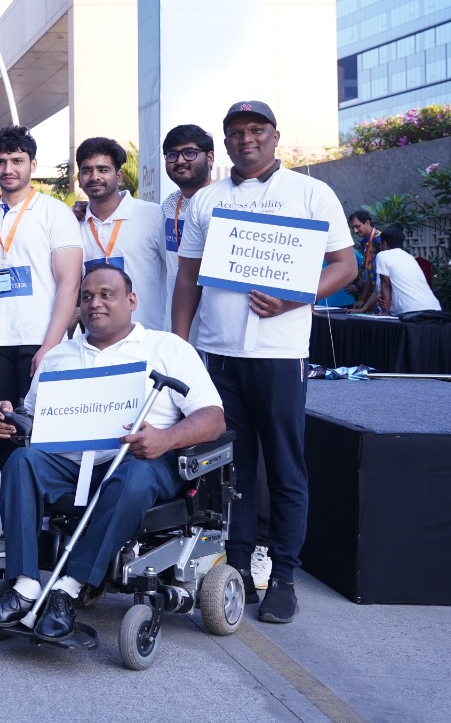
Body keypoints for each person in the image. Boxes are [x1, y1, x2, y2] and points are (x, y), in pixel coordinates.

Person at [0, 264, 225, 640]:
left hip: (143, 461)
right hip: (72, 466)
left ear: (132, 301)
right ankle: (24, 587)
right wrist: (6, 417)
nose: (95, 303)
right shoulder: (58, 357)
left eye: (107, 294)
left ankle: (68, 589)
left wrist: (167, 439)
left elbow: (213, 418)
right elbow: (32, 418)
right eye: (87, 297)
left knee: (133, 474)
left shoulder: (167, 348)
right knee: (22, 461)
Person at [172, 100, 356, 624]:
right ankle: (235, 569)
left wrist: (293, 298)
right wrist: (179, 346)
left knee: (284, 468)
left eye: (257, 129)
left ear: (275, 136)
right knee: (232, 469)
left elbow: (345, 266)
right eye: (235, 132)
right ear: (225, 142)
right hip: (219, 354)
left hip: (279, 356)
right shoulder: (207, 201)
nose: (246, 139)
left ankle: (283, 577)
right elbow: (188, 277)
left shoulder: (310, 193)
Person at [0, 124, 82, 559]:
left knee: (46, 437)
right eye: (1, 161)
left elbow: (70, 283)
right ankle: (15, 530)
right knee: (5, 434)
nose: (8, 168)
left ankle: (51, 529)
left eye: (17, 160)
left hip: (40, 342)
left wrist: (51, 345)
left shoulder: (54, 213)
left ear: (32, 164)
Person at [76, 137, 167, 330]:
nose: (94, 177)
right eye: (87, 171)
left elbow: (177, 272)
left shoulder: (152, 215)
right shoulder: (72, 224)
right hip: (94, 338)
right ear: (79, 178)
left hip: (147, 334)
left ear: (118, 176)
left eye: (103, 169)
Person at [160, 124, 215, 318]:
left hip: (213, 320)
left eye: (190, 153)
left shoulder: (226, 202)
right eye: (172, 155)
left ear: (210, 158)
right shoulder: (168, 206)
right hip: (177, 317)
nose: (180, 160)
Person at [375, 226, 442, 315]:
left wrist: (385, 312)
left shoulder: (382, 255)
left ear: (384, 243)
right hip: (434, 308)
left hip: (411, 311)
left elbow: (386, 285)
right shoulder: (409, 257)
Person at [347, 210, 384, 314]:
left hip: (384, 293)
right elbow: (369, 270)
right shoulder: (365, 242)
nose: (355, 231)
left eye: (357, 226)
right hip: (375, 292)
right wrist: (363, 299)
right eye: (353, 228)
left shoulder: (380, 240)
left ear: (367, 222)